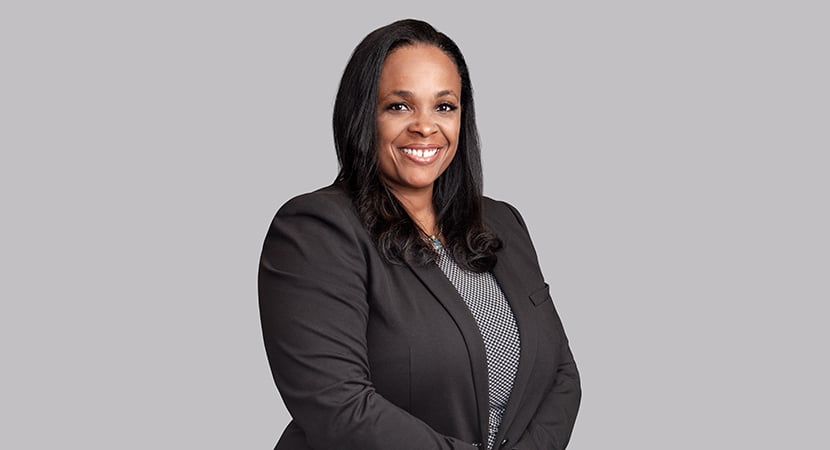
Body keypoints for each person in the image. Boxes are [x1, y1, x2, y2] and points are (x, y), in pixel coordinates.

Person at [258, 19, 580, 450]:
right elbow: (338, 406)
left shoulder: (503, 223)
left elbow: (561, 373)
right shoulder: (315, 230)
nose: (425, 127)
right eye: (399, 106)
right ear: (363, 115)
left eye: (444, 107)